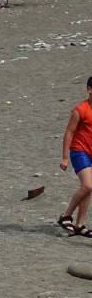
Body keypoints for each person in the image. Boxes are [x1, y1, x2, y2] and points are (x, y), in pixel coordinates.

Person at [57, 76, 92, 237]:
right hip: (79, 151)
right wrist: (64, 157)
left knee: (88, 189)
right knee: (88, 186)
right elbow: (69, 132)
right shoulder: (80, 110)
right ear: (89, 90)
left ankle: (80, 225)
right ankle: (66, 215)